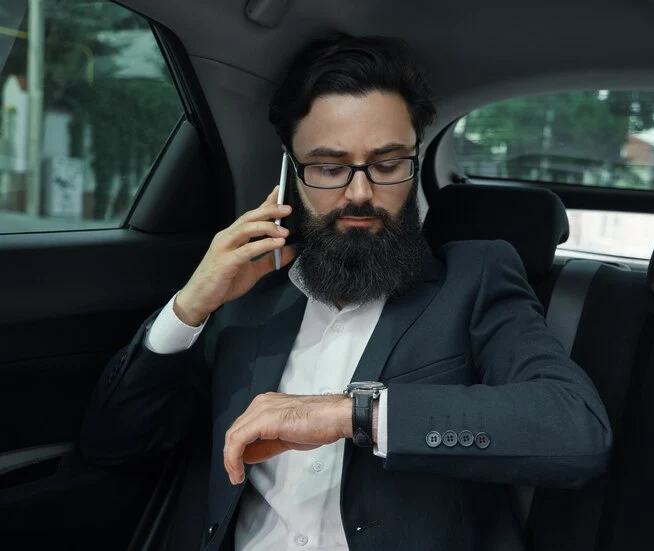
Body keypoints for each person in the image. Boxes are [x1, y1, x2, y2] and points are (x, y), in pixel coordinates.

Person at [78, 32, 612, 551]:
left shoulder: (473, 278)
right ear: (291, 170)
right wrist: (190, 306)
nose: (360, 193)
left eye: (387, 165)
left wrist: (351, 414)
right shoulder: (246, 294)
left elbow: (574, 430)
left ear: (415, 161)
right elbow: (112, 443)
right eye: (329, 168)